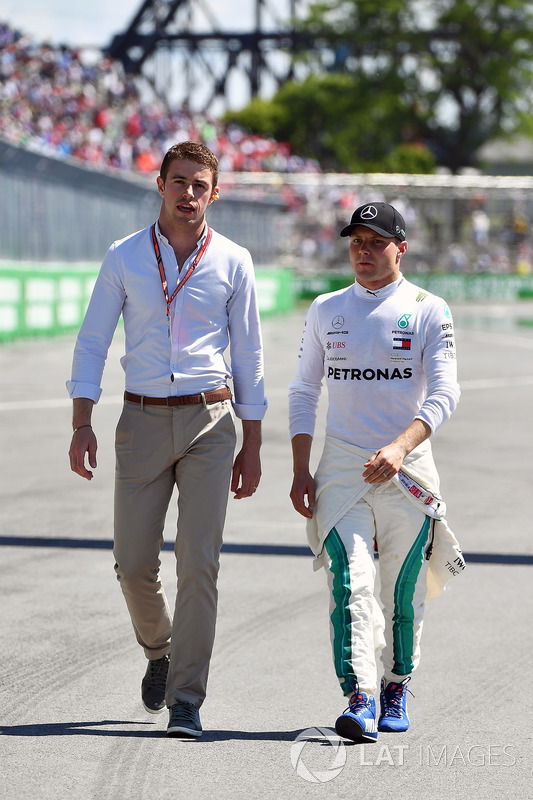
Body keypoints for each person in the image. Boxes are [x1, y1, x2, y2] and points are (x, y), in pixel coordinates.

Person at [67, 141, 267, 738]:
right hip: (142, 418)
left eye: (199, 184)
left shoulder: (234, 260)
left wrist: (252, 444)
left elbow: (251, 355)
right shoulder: (125, 256)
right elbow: (92, 341)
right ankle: (159, 650)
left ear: (214, 191)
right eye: (178, 181)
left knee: (198, 565)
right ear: (160, 185)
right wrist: (82, 421)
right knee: (132, 564)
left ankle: (186, 698)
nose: (188, 194)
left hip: (211, 421)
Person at [289, 202, 464, 743]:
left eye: (375, 242)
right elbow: (303, 391)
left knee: (401, 592)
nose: (363, 251)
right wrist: (300, 468)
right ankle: (360, 696)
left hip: (407, 468)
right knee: (352, 583)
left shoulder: (429, 309)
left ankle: (395, 684)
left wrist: (399, 446)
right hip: (342, 467)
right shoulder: (325, 309)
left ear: (400, 248)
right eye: (356, 241)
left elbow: (445, 393)